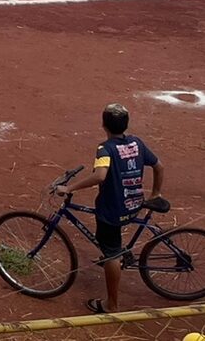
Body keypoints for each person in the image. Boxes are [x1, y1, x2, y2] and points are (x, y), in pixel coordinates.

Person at [52, 103, 162, 314]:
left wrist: (69, 187)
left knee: (111, 253)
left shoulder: (105, 149)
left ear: (104, 125)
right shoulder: (137, 143)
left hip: (114, 210)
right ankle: (114, 255)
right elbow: (159, 166)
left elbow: (100, 175)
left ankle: (111, 305)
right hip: (134, 203)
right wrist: (156, 194)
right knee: (110, 243)